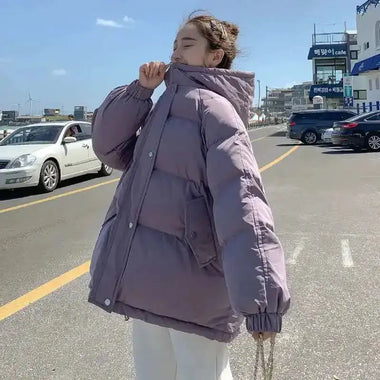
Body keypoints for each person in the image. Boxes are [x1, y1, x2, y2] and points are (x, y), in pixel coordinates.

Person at [88, 12, 290, 380]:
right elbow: (107, 148)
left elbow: (242, 200)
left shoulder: (215, 109)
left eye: (187, 43)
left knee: (202, 373)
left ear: (215, 56)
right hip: (147, 278)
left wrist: (261, 300)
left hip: (196, 283)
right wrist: (139, 93)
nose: (176, 52)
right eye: (174, 44)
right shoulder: (163, 103)